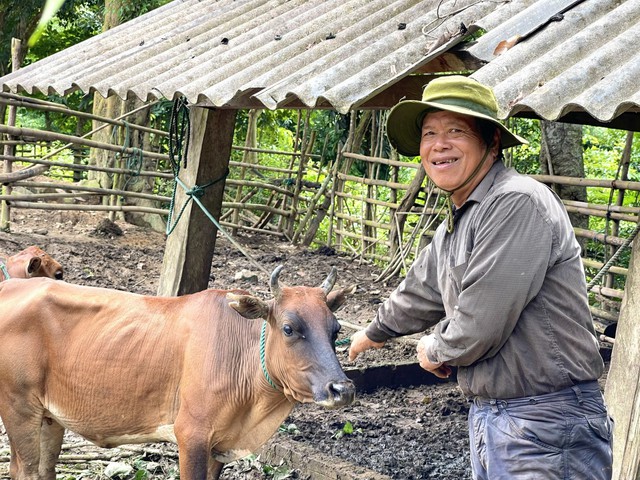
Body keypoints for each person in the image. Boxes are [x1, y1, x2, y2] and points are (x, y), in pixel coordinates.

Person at [348, 75, 613, 479]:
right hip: (496, 417)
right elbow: (423, 288)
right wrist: (374, 332)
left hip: (546, 421)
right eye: (430, 133)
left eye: (457, 131)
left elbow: (480, 323)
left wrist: (434, 349)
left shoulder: (515, 203)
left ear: (491, 143)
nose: (440, 144)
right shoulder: (463, 217)